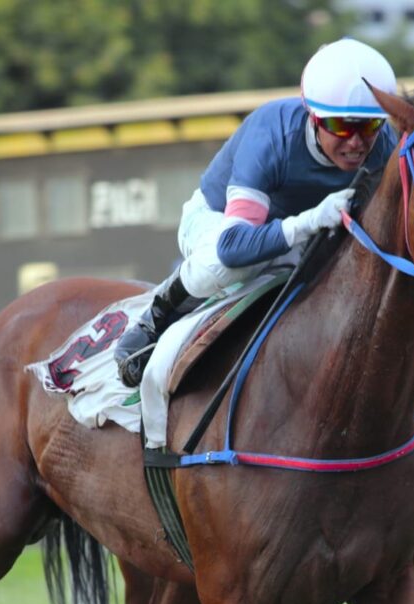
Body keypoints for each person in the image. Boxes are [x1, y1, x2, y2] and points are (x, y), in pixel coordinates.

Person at [113, 37, 399, 388]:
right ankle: (153, 321)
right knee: (238, 263)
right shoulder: (272, 133)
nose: (356, 142)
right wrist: (309, 220)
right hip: (220, 225)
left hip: (304, 239)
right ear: (313, 117)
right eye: (341, 126)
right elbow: (232, 246)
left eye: (369, 126)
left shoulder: (385, 144)